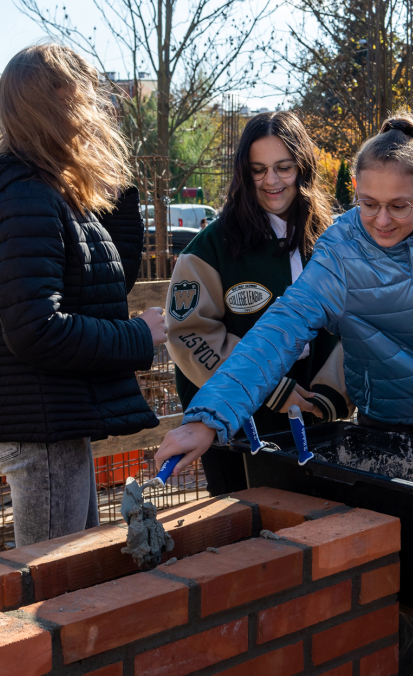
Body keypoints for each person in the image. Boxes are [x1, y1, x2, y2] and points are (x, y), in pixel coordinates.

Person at [154, 111, 413, 676]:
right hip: (385, 423)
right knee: (395, 576)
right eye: (368, 203)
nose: (382, 219)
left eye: (399, 205)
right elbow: (278, 330)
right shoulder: (342, 249)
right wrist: (211, 418)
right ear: (353, 191)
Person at [0, 45, 167, 547]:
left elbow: (105, 284)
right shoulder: (27, 200)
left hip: (53, 417)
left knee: (71, 566)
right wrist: (139, 336)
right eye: (86, 96)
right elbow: (37, 330)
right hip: (41, 424)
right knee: (51, 583)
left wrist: (111, 189)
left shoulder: (48, 189)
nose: (97, 109)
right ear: (59, 105)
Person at [165, 111, 351, 496]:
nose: (271, 180)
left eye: (283, 167)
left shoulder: (328, 240)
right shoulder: (212, 247)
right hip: (237, 425)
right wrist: (267, 389)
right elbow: (189, 336)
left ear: (303, 167)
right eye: (258, 169)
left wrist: (335, 390)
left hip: (314, 415)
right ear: (243, 172)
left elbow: (351, 324)